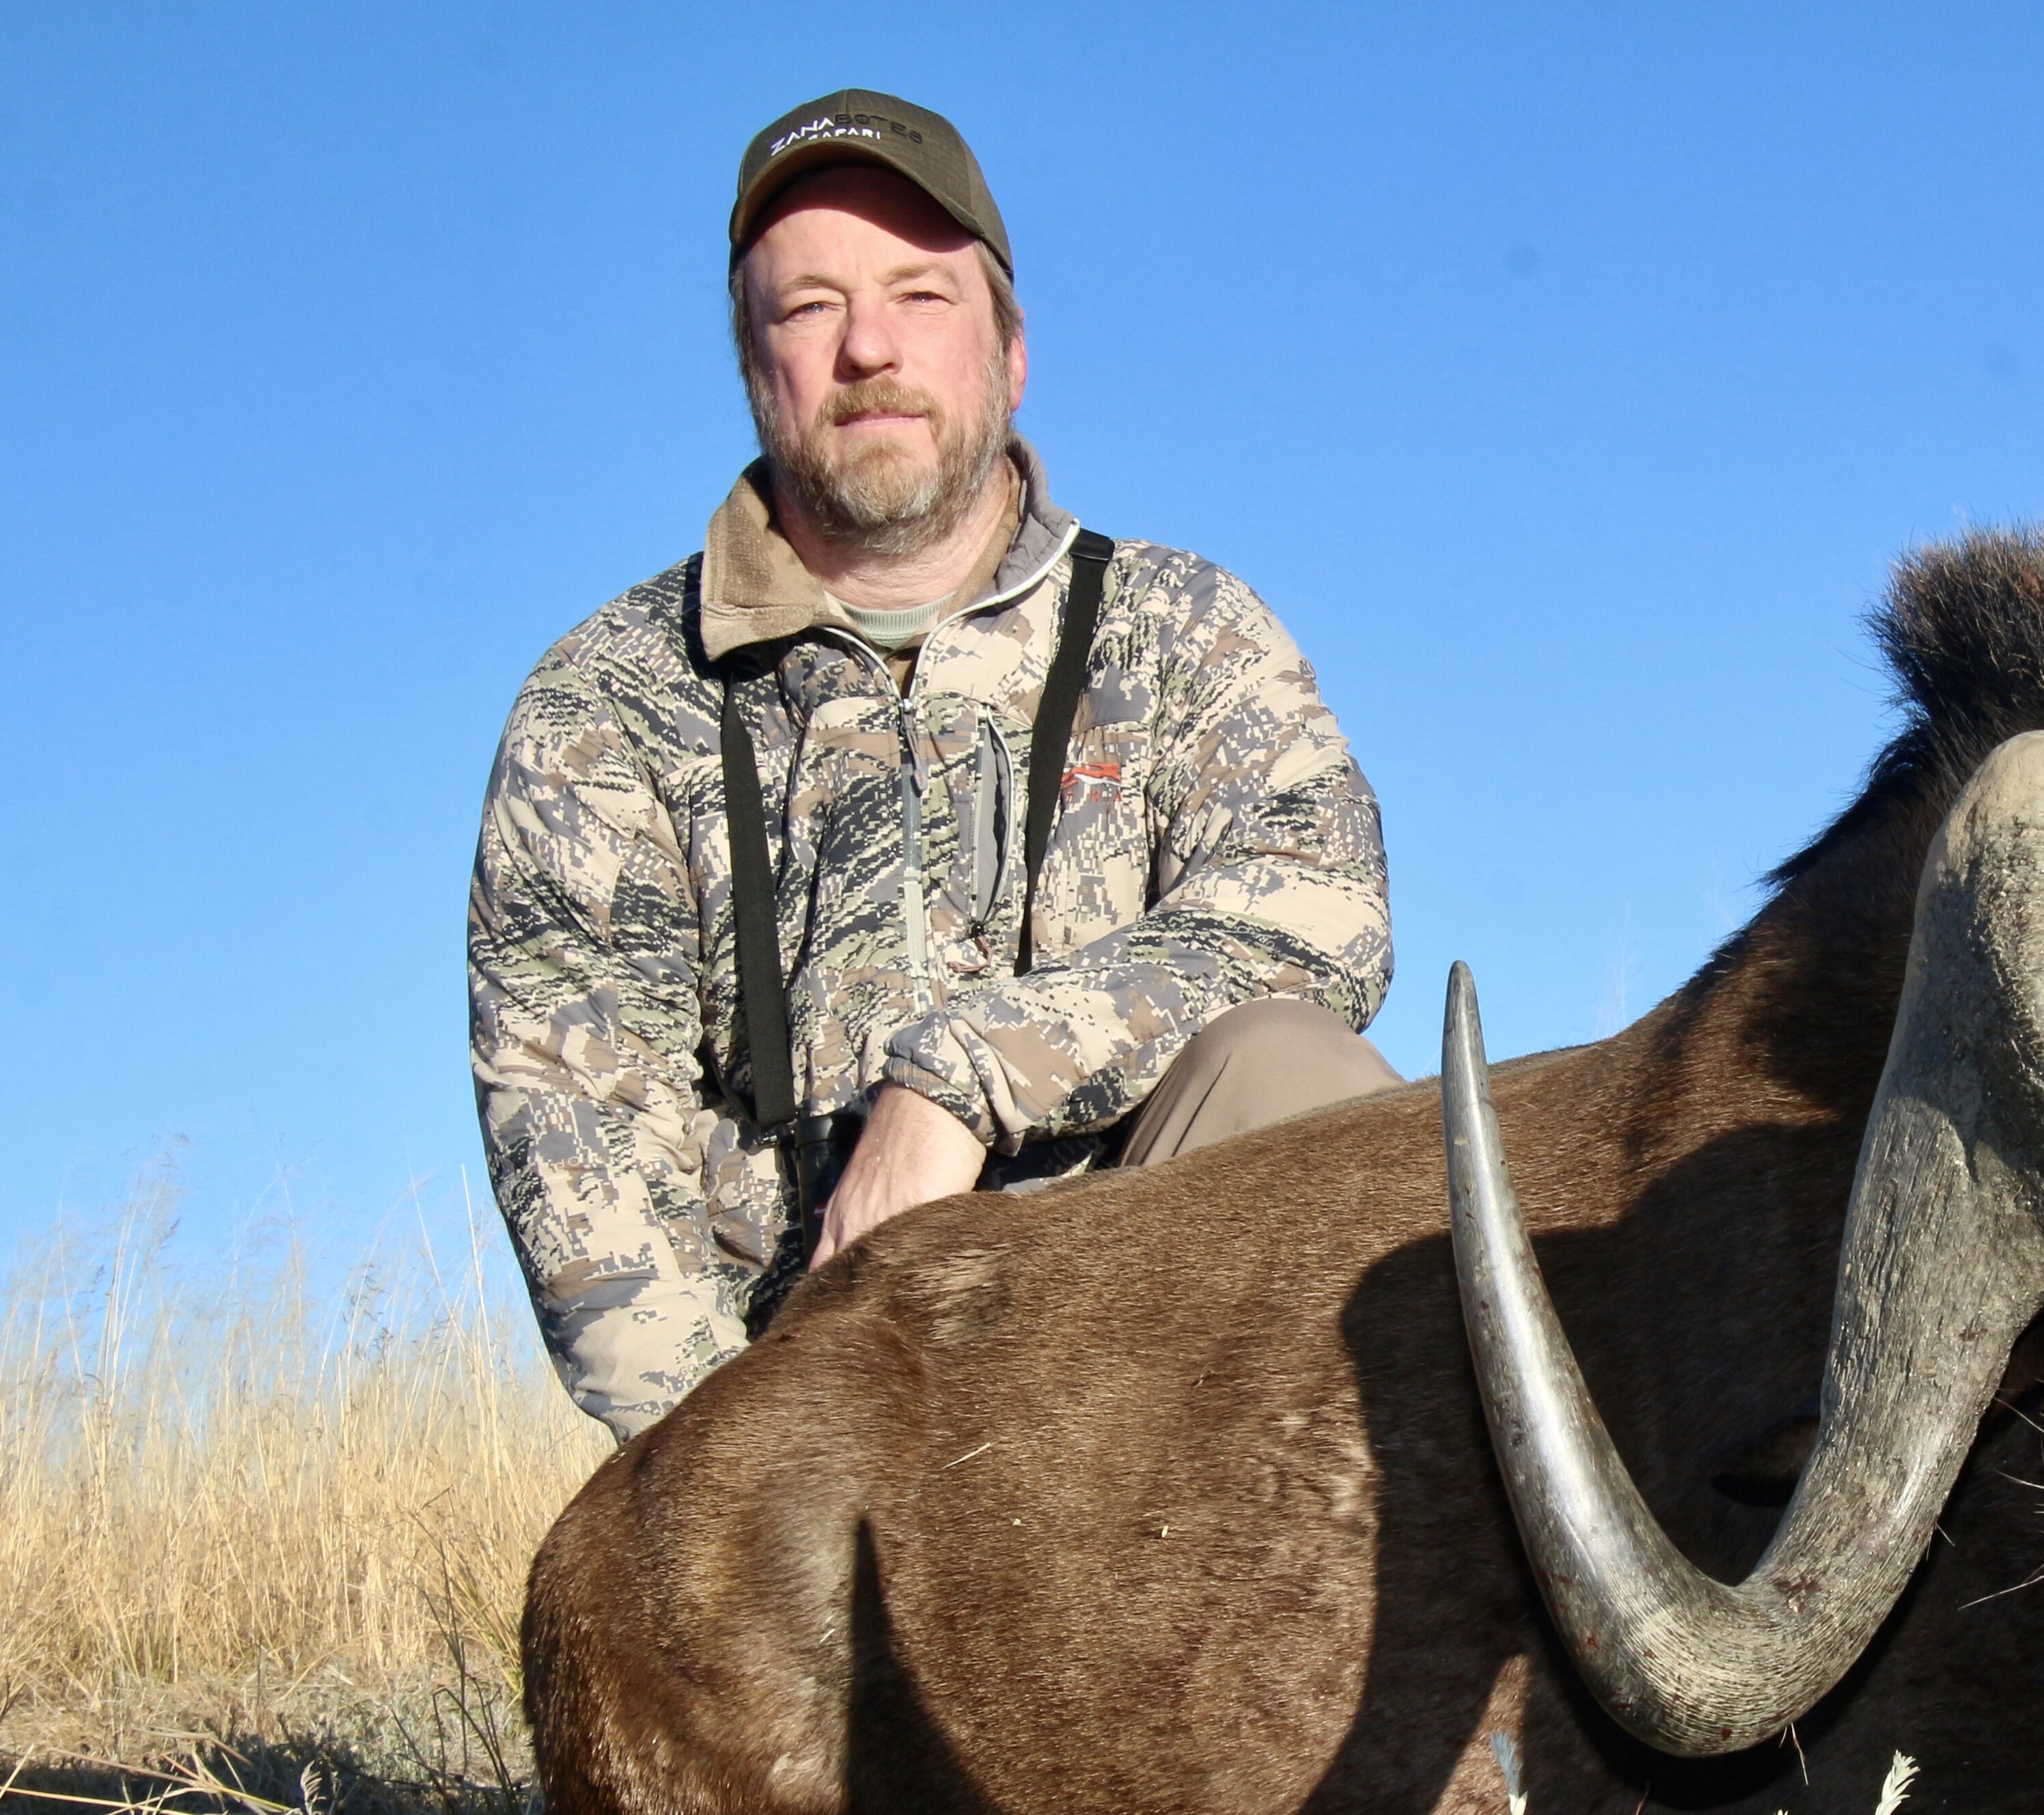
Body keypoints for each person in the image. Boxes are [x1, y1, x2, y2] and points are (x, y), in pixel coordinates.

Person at [471, 91, 1396, 1440]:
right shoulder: (607, 704)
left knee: (1298, 1080)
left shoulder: (1184, 628)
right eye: (808, 309)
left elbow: (1321, 907)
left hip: (1161, 1371)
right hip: (819, 1426)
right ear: (754, 367)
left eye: (919, 294)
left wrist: (962, 1074)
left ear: (1011, 355)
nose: (867, 348)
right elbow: (579, 1126)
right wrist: (732, 1471)